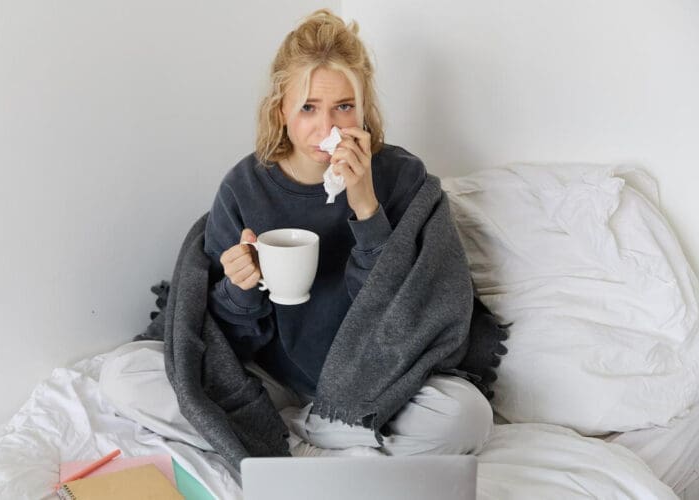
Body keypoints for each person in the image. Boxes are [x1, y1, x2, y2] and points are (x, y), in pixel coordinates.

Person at [100, 9, 493, 462]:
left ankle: (280, 435)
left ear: (364, 109)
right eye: (308, 108)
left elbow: (404, 318)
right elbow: (225, 341)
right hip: (272, 379)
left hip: (376, 383)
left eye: (344, 107)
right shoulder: (244, 187)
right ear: (281, 111)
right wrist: (240, 290)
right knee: (124, 374)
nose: (327, 128)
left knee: (467, 418)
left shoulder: (401, 178)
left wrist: (366, 206)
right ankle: (294, 429)